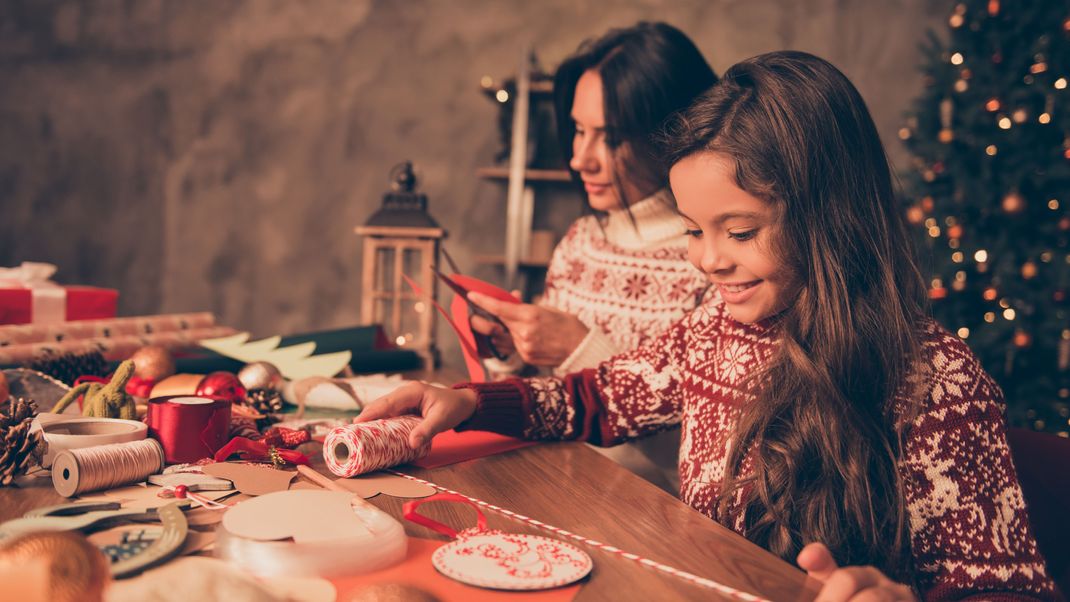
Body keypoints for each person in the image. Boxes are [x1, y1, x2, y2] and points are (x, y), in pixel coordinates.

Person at [359, 51, 1058, 600]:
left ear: (829, 218)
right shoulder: (712, 330)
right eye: (693, 230)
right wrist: (472, 401)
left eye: (741, 230)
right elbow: (593, 398)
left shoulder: (935, 384)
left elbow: (1003, 588)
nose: (710, 261)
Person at [469, 22, 717, 492]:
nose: (581, 158)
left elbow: (705, 453)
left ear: (674, 129)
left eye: (610, 136)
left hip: (651, 515)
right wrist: (511, 350)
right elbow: (546, 394)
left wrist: (582, 350)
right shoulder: (580, 242)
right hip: (555, 484)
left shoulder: (715, 258)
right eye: (579, 130)